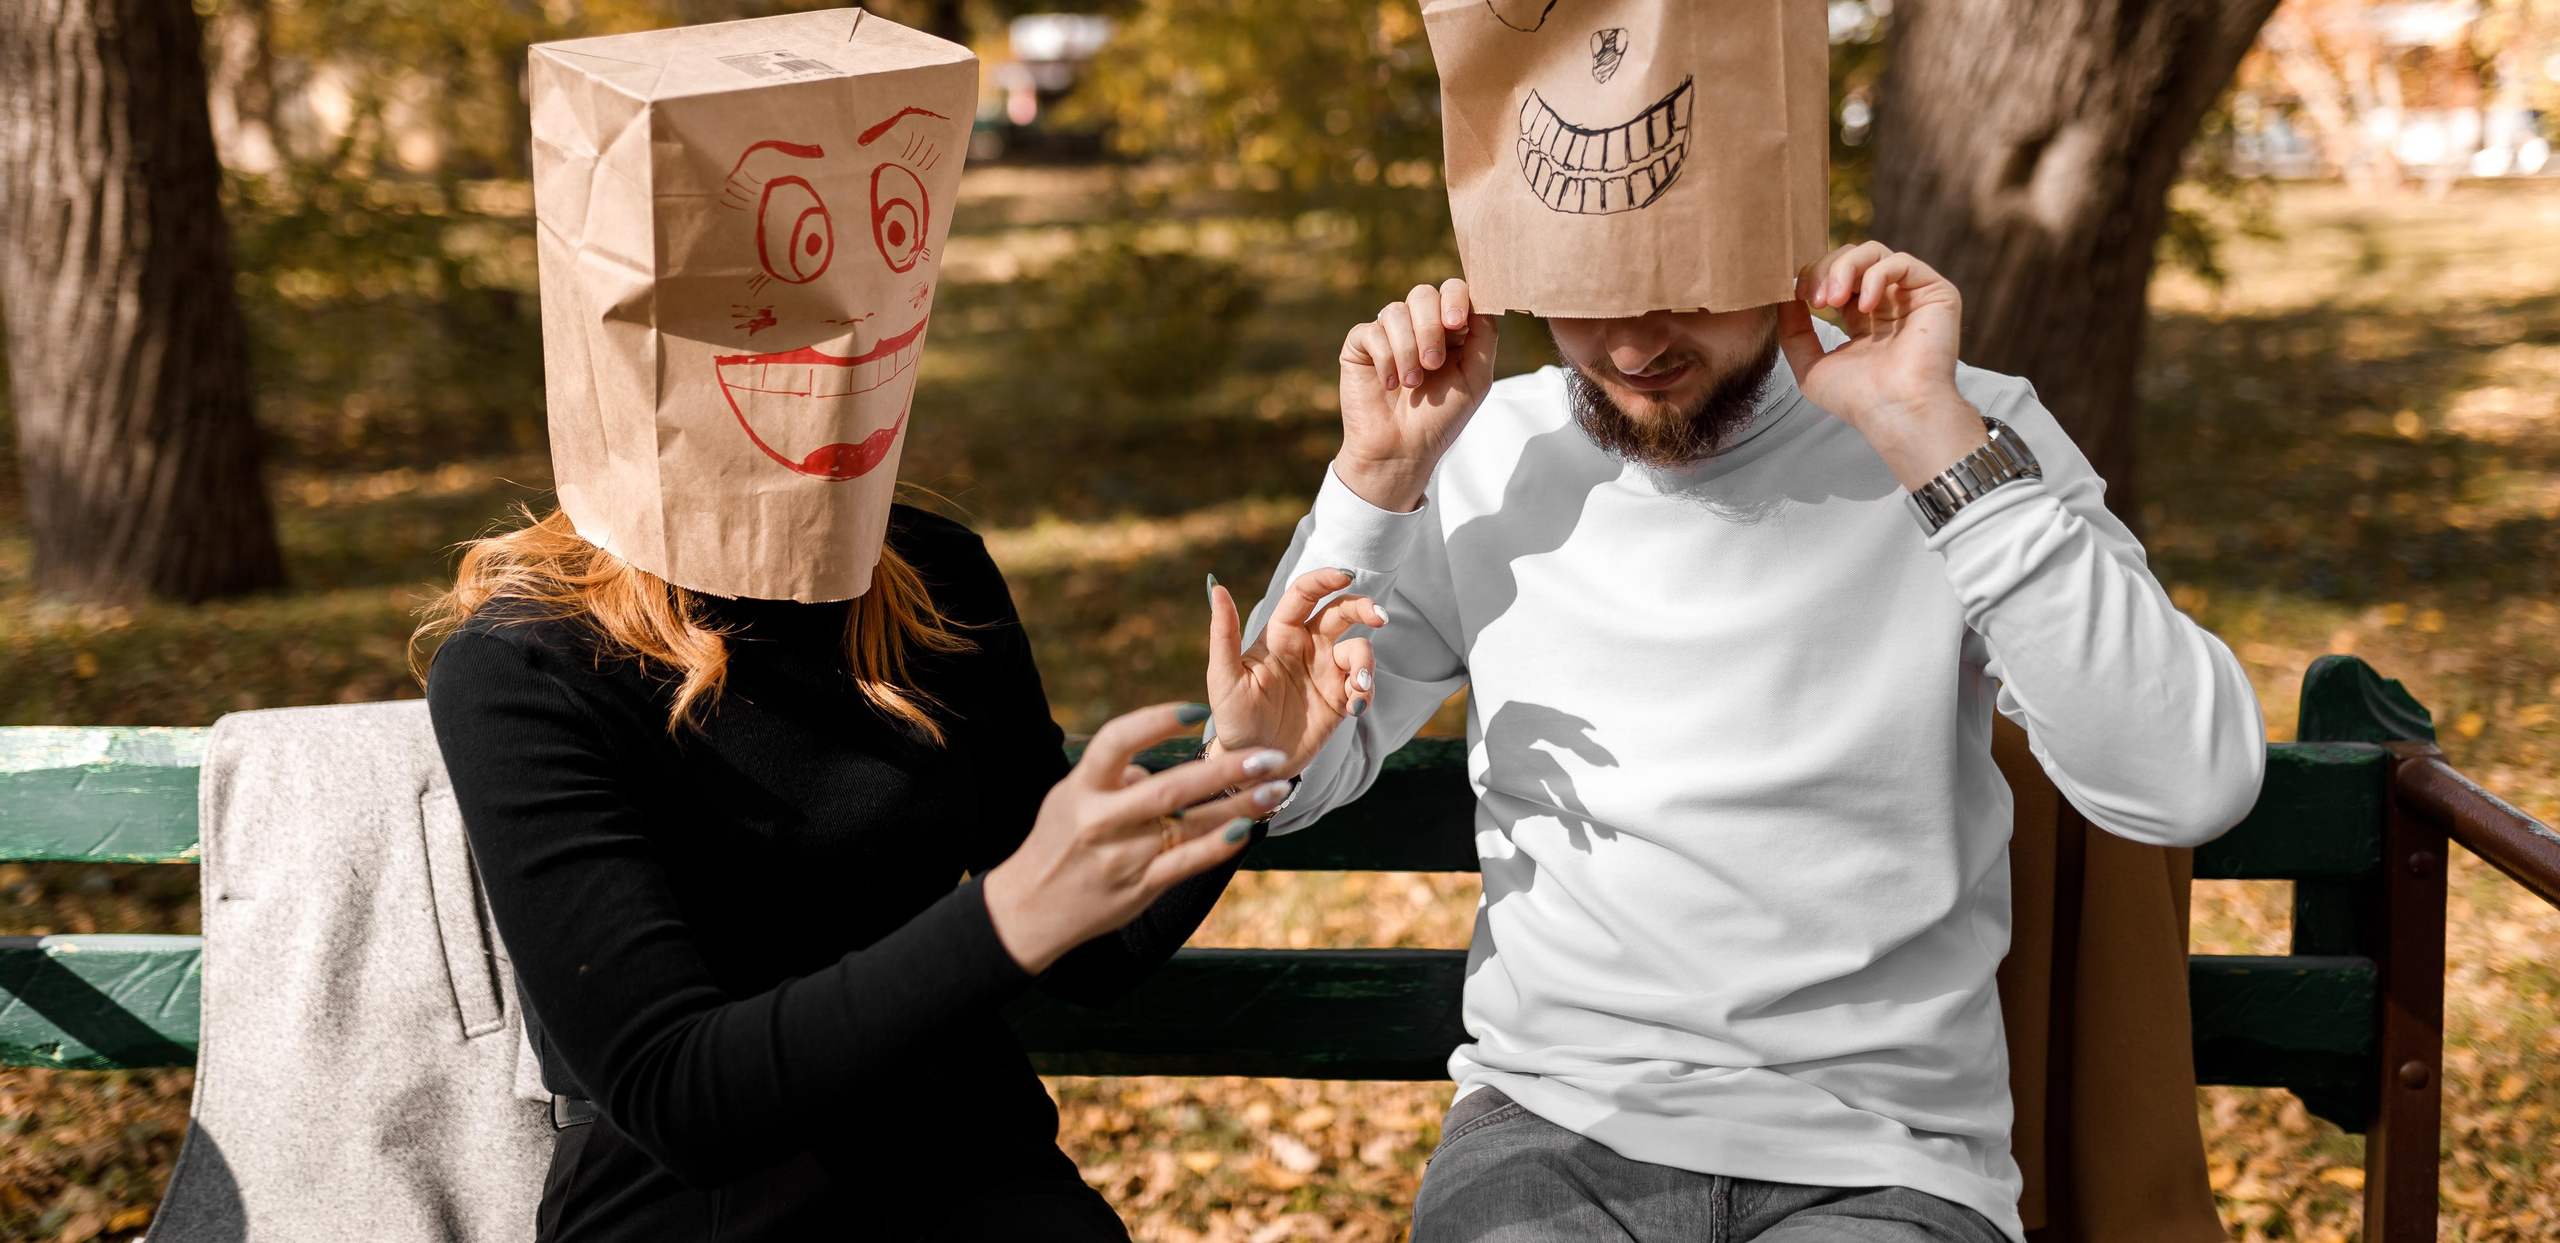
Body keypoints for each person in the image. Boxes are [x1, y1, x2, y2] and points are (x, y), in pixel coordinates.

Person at [1215, 241, 2266, 1243]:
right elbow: (1283, 782)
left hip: (1885, 1156)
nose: (1633, 345)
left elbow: (2190, 782)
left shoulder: (1952, 423)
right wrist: (1371, 486)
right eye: (1585, 296)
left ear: (1776, 234)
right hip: (1552, 1124)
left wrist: (1931, 438)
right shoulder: (1476, 451)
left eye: (1684, 284)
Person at [421, 508, 1377, 1242]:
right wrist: (1007, 915)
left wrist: (1244, 768)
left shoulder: (933, 573)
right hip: (693, 1208)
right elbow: (680, 1097)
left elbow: (1092, 952)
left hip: (973, 1169)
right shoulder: (522, 661)